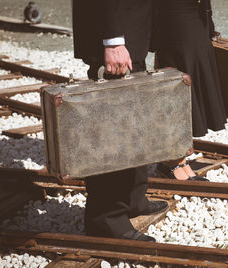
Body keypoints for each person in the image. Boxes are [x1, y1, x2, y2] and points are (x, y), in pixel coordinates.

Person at [72, 0, 168, 242]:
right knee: (113, 130)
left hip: (129, 31)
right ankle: (106, 218)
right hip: (115, 36)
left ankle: (132, 199)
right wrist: (113, 39)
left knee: (133, 124)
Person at [152, 0, 227, 181]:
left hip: (196, 15)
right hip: (174, 17)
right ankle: (172, 161)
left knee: (192, 80)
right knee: (179, 87)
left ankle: (180, 159)